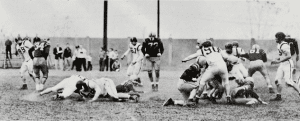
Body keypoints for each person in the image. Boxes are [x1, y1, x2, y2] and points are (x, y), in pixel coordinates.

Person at [182, 39, 231, 104]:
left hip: (212, 67)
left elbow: (193, 56)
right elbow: (226, 57)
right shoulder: (217, 48)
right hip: (223, 66)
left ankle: (197, 97)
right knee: (226, 82)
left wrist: (185, 59)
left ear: (204, 46)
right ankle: (228, 97)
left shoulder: (203, 50)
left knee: (202, 81)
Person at [270, 32, 300, 101]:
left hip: (288, 64)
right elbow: (281, 55)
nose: (275, 39)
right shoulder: (279, 45)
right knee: (277, 80)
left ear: (280, 38)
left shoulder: (285, 45)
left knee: (289, 82)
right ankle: (278, 96)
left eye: (276, 37)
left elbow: (289, 56)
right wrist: (276, 59)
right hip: (282, 65)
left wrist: (279, 61)